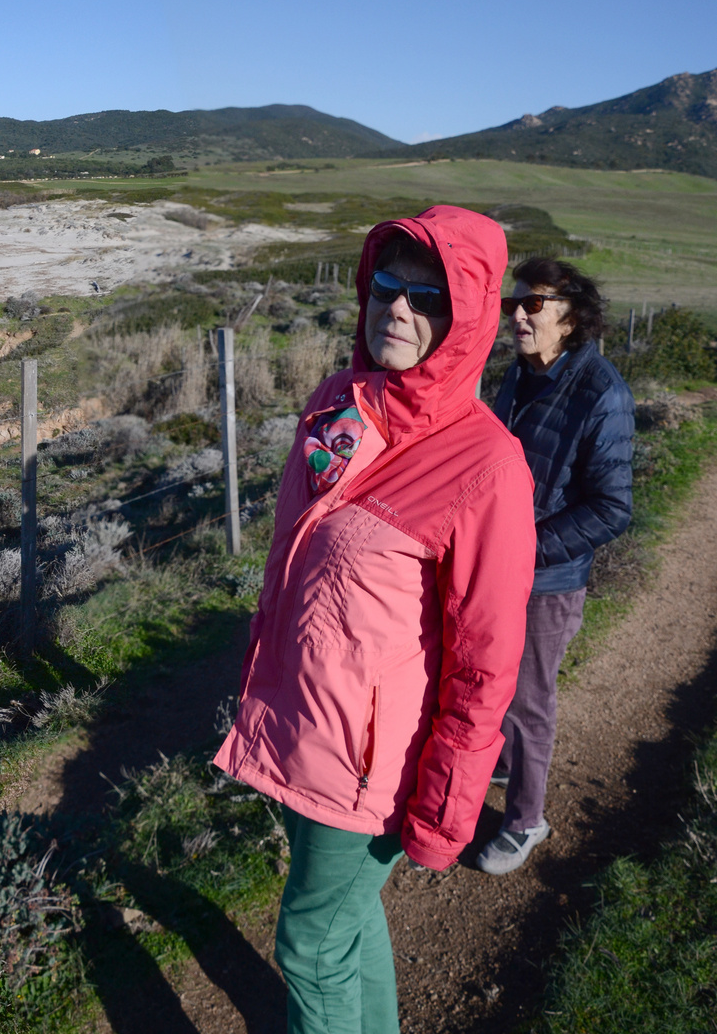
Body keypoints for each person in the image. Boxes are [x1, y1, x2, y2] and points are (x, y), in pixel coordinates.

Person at [214, 205, 536, 1033]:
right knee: (345, 921)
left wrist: (446, 809)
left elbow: (485, 661)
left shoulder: (485, 463)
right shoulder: (337, 403)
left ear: (467, 322)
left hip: (365, 765)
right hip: (297, 720)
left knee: (311, 946)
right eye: (386, 287)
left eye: (427, 298)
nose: (397, 308)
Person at [475, 260, 634, 875]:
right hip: (499, 564)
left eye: (534, 304)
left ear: (571, 318)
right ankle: (512, 763)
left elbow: (613, 508)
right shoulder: (521, 374)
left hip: (548, 579)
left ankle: (526, 820)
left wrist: (523, 549)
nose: (517, 313)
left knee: (530, 701)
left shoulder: (602, 392)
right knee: (498, 685)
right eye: (514, 302)